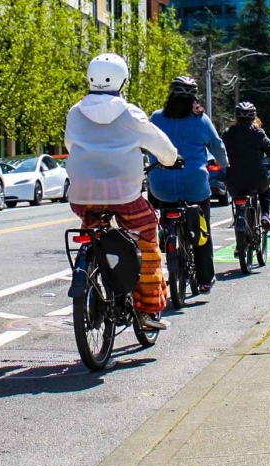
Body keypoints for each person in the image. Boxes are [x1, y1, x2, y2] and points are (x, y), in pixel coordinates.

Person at [64, 53, 182, 331]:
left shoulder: (75, 111)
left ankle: (95, 274)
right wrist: (171, 159)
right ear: (122, 80)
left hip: (83, 196)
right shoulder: (130, 113)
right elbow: (160, 145)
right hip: (125, 197)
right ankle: (147, 307)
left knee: (95, 234)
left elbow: (71, 145)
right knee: (147, 236)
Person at [149, 76, 228, 294]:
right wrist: (224, 166)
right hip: (194, 184)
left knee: (161, 201)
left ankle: (167, 231)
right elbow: (217, 146)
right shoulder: (200, 121)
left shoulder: (156, 118)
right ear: (194, 98)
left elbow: (145, 145)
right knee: (202, 231)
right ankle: (205, 279)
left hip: (161, 185)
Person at [221, 101, 270, 231]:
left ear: (236, 117)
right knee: (265, 189)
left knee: (237, 200)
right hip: (257, 178)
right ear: (253, 117)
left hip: (234, 179)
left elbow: (219, 150)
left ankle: (240, 242)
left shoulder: (228, 133)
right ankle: (265, 215)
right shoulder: (258, 133)